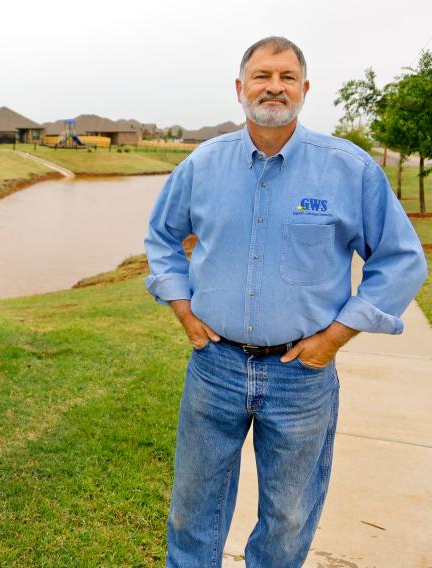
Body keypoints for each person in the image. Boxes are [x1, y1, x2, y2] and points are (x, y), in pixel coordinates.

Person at [144, 36, 427, 567]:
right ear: (240, 87)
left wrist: (336, 336)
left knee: (289, 516)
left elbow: (401, 260)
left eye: (286, 77)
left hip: (302, 375)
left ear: (304, 89)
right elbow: (162, 238)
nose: (274, 87)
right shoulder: (202, 166)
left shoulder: (349, 169)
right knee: (192, 509)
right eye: (262, 76)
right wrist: (182, 307)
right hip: (215, 366)